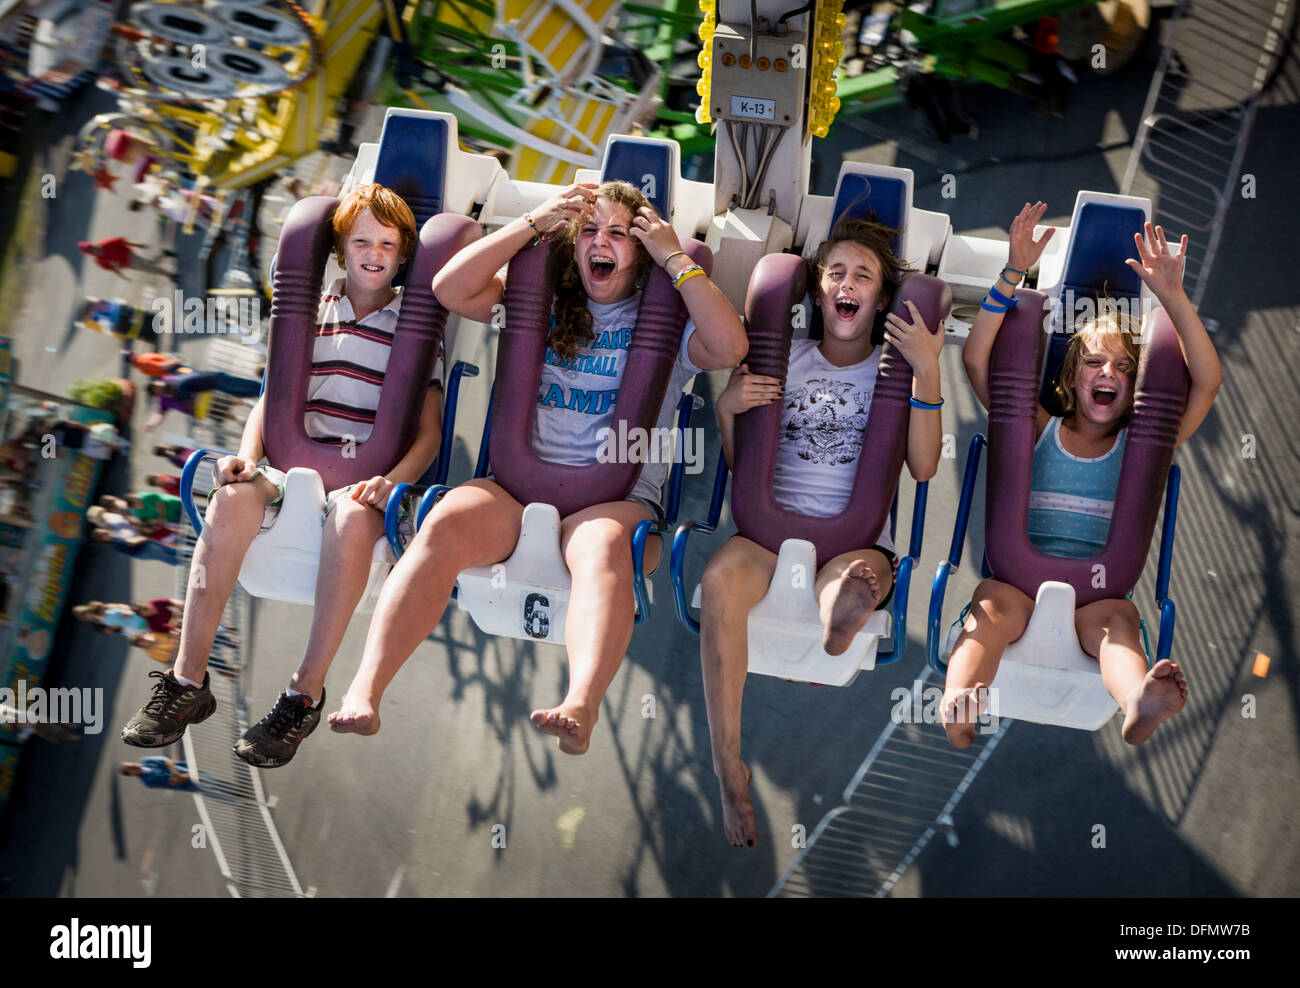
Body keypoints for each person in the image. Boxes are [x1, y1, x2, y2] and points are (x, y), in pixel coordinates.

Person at [328, 179, 748, 755]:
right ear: (574, 244)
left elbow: (728, 348)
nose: (603, 242)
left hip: (615, 501)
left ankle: (580, 703)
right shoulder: (538, 306)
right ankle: (364, 691)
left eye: (621, 234)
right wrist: (535, 221)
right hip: (515, 491)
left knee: (602, 550)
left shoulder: (665, 324)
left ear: (642, 247)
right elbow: (450, 287)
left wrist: (674, 255)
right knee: (444, 523)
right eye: (592, 231)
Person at [119, 183, 445, 768]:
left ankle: (304, 693)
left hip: (361, 481)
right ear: (340, 248)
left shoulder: (415, 323)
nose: (374, 253)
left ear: (403, 254)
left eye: (388, 244)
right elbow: (272, 399)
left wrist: (393, 481)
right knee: (230, 500)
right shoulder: (312, 309)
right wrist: (246, 457)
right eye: (361, 240)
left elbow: (429, 433)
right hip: (291, 464)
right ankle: (187, 681)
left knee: (349, 517)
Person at [698, 216, 944, 848]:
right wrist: (728, 408)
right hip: (768, 533)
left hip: (852, 539)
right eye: (835, 271)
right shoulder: (788, 358)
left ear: (881, 299)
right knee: (720, 581)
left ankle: (843, 610)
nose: (847, 282)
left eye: (863, 275)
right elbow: (737, 463)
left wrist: (927, 372)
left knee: (851, 577)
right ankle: (728, 762)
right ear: (816, 290)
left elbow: (922, 466)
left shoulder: (893, 373)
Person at [944, 203, 1222, 749]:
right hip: (1017, 584)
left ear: (1136, 387)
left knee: (1118, 628)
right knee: (991, 611)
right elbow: (978, 359)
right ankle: (960, 700)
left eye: (1124, 367)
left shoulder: (1145, 443)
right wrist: (1013, 272)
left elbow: (1206, 382)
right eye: (1095, 362)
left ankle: (1136, 701)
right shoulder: (1037, 426)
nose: (1108, 373)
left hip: (1099, 592)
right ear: (1071, 375)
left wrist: (1172, 297)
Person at [78, 237, 172, 280]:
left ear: (91, 246)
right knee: (150, 264)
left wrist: (138, 245)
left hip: (130, 256)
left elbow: (123, 242)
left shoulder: (106, 244)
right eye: (88, 252)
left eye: (89, 249)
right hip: (127, 265)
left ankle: (169, 274)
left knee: (149, 268)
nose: (90, 252)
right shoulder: (99, 261)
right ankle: (163, 254)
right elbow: (112, 269)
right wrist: (122, 275)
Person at [120, 756, 200, 791]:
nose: (132, 765)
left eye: (130, 764)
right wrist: (188, 776)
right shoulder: (148, 782)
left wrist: (176, 774)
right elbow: (174, 781)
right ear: (131, 774)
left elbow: (165, 760)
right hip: (190, 784)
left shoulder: (145, 760)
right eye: (130, 768)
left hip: (188, 768)